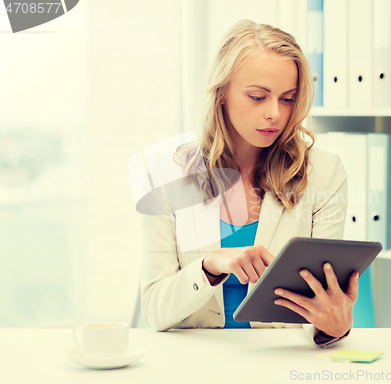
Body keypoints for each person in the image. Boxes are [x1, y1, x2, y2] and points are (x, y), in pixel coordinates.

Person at [140, 19, 358, 347]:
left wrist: (334, 326)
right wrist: (211, 266)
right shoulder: (165, 175)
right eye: (258, 97)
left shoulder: (324, 172)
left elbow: (320, 307)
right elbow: (155, 310)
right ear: (222, 93)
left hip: (279, 361)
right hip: (193, 359)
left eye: (287, 99)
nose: (275, 113)